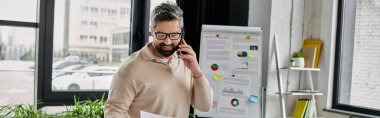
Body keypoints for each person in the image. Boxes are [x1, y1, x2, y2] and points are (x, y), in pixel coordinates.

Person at [104, 2, 213, 118]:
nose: (168, 42)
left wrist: (197, 72)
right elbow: (114, 110)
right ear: (152, 31)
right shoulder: (130, 67)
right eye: (161, 35)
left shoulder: (187, 63)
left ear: (182, 33)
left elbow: (204, 106)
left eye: (174, 35)